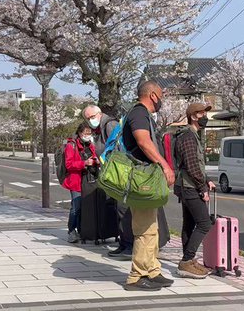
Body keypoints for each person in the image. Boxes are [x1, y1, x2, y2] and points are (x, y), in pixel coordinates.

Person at [122, 80, 175, 291]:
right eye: (161, 95)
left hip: (145, 179)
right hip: (141, 180)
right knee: (144, 229)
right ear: (153, 95)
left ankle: (152, 270)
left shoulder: (141, 114)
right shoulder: (138, 113)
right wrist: (165, 166)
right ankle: (137, 276)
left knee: (152, 228)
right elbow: (143, 141)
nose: (162, 100)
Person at [83, 104, 133, 259]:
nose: (90, 121)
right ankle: (124, 243)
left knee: (123, 209)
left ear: (99, 114)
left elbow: (117, 148)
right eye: (88, 118)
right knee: (118, 209)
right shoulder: (102, 127)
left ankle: (129, 245)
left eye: (91, 117)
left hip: (119, 173)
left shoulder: (110, 125)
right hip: (112, 173)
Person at [176, 102, 215, 279]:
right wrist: (202, 187)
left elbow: (194, 165)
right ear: (193, 116)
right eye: (201, 114)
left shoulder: (192, 135)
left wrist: (207, 180)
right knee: (204, 223)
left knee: (190, 224)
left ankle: (188, 261)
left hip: (187, 185)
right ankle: (186, 260)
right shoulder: (188, 137)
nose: (205, 117)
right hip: (190, 186)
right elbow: (191, 166)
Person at [62, 123, 99, 243]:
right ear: (79, 133)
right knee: (76, 207)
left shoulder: (90, 145)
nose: (88, 136)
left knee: (86, 207)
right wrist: (84, 163)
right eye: (85, 134)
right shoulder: (71, 145)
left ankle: (82, 230)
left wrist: (96, 161)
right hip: (76, 180)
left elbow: (94, 157)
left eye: (89, 133)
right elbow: (69, 164)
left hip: (88, 180)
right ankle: (71, 231)